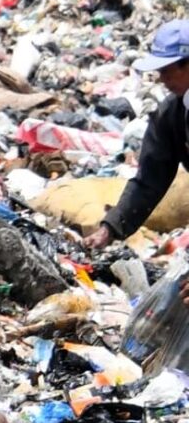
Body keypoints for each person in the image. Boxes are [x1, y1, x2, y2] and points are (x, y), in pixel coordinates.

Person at [85, 19, 189, 252]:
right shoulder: (171, 116)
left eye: (166, 70)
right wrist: (110, 228)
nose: (162, 79)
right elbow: (150, 179)